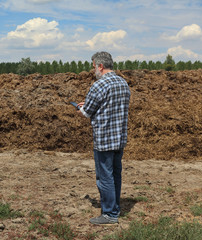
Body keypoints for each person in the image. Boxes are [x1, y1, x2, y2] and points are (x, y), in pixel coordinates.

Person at [76, 51, 130, 224]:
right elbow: (109, 105)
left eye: (94, 67)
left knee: (104, 176)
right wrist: (90, 104)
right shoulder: (123, 83)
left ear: (100, 66)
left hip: (104, 140)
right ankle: (115, 208)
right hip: (119, 138)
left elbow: (87, 113)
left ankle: (109, 214)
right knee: (115, 174)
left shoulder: (98, 86)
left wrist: (81, 109)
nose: (93, 71)